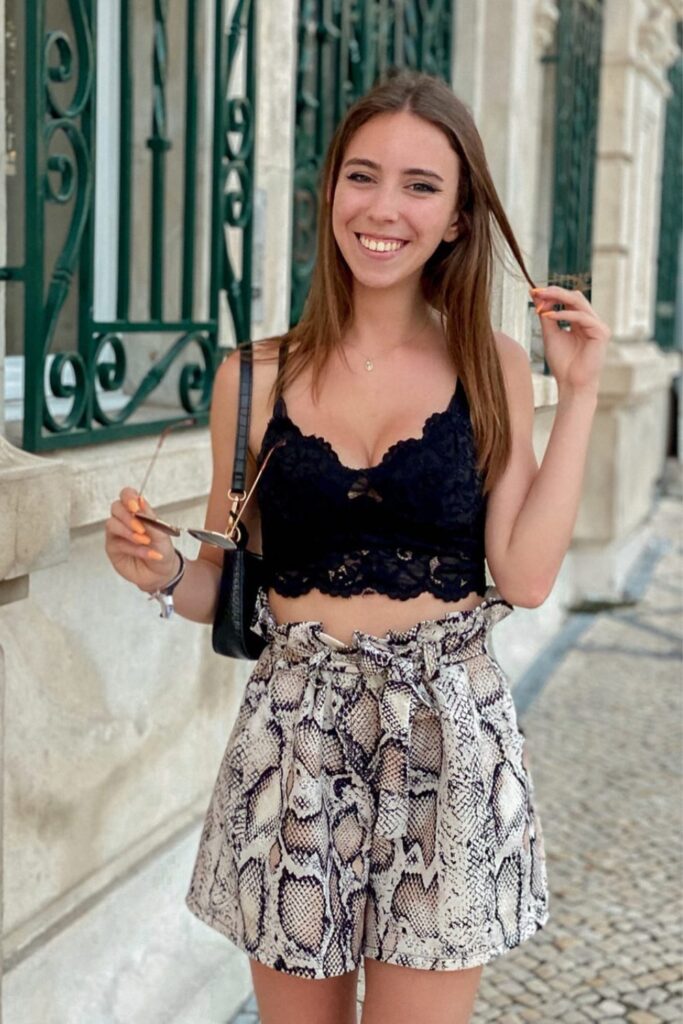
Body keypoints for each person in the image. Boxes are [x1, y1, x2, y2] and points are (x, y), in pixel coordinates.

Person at [104, 70, 610, 1024]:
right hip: (296, 735)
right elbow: (234, 582)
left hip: (444, 736)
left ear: (458, 217)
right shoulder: (252, 377)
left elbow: (527, 576)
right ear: (331, 191)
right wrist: (165, 571)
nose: (384, 208)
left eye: (422, 186)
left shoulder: (493, 364)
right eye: (363, 176)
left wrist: (577, 392)